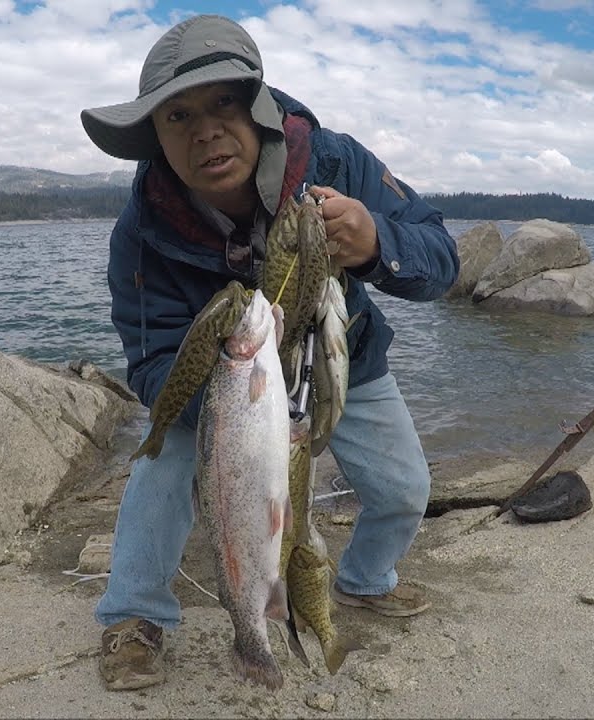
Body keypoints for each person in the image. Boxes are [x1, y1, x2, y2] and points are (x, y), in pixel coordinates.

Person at [79, 13, 459, 691]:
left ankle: (365, 581)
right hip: (228, 390)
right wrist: (233, 410)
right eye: (178, 116)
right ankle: (135, 614)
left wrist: (375, 243)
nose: (205, 131)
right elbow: (150, 361)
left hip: (345, 365)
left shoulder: (337, 162)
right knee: (158, 467)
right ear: (156, 137)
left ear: (257, 104)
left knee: (405, 490)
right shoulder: (140, 233)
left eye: (223, 101)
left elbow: (441, 258)